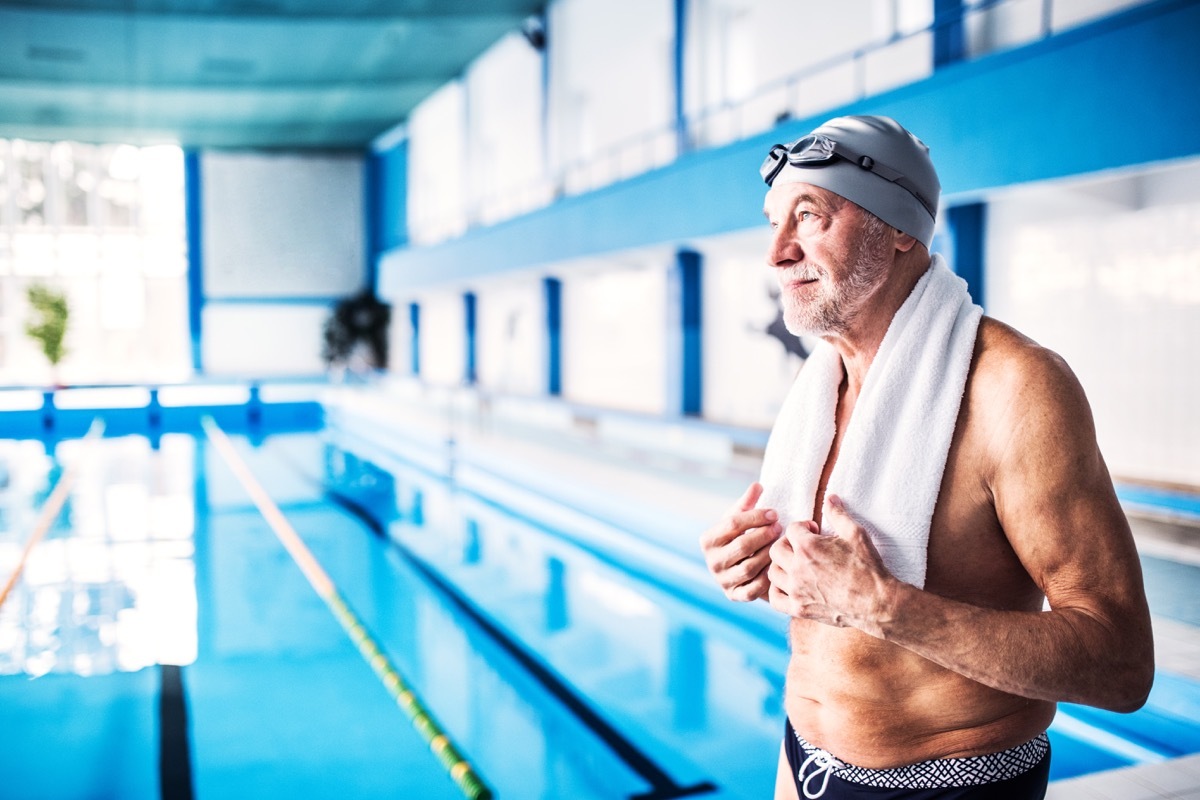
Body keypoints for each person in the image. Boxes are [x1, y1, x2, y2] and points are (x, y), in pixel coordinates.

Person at [699, 115, 1154, 799]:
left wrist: (885, 609)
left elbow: (1121, 664)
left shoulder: (1015, 390)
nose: (777, 253)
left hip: (952, 782)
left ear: (899, 227)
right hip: (802, 763)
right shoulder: (823, 380)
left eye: (808, 216)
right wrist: (751, 558)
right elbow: (825, 600)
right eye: (772, 223)